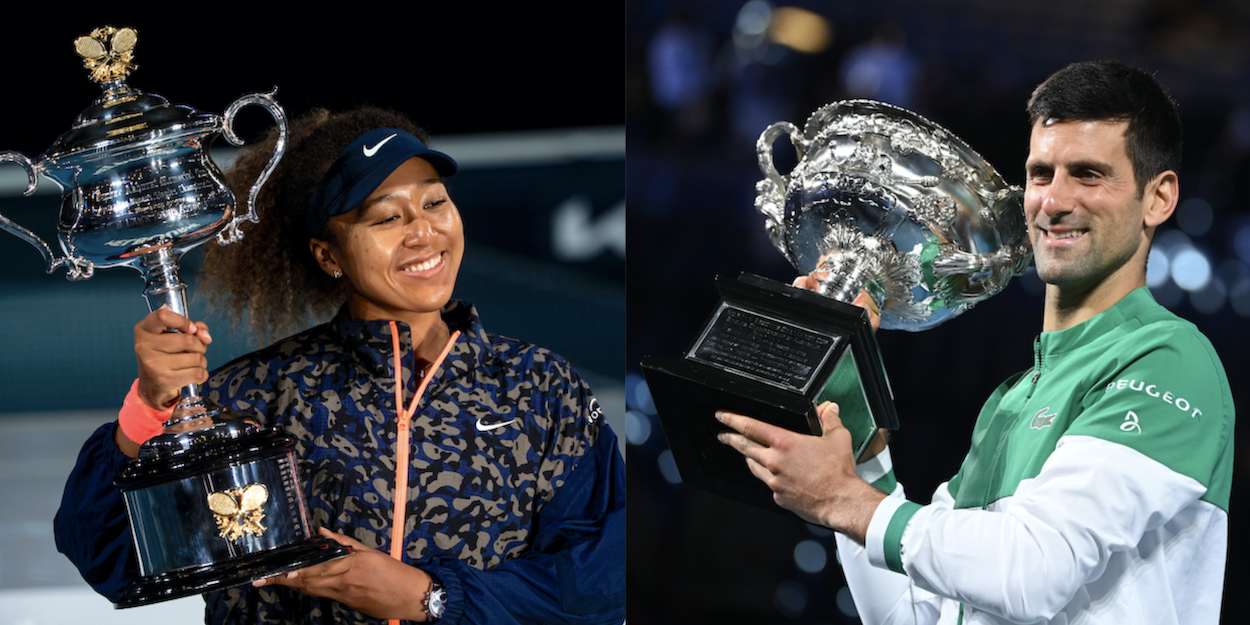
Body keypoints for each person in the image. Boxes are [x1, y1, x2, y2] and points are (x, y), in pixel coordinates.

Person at [53, 106, 626, 624]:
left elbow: (601, 581)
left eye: (434, 202)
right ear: (328, 255)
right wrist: (149, 409)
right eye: (386, 218)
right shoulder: (253, 396)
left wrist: (430, 596)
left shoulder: (540, 388)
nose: (424, 231)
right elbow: (114, 564)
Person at [717, 61, 1234, 624]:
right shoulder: (1013, 401)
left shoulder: (1168, 359)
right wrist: (857, 433)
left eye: (1088, 174)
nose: (1053, 202)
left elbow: (1034, 573)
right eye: (1041, 174)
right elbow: (907, 616)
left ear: (1158, 198)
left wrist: (841, 498)